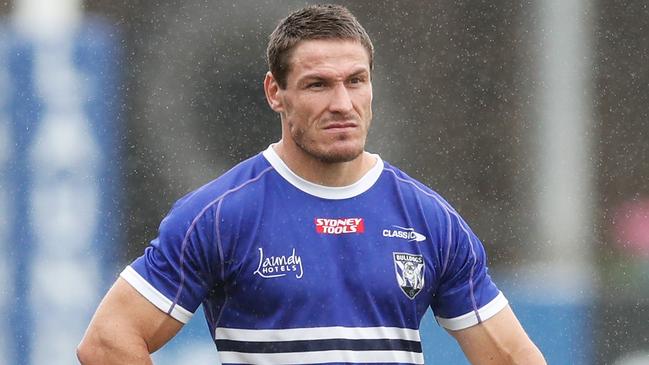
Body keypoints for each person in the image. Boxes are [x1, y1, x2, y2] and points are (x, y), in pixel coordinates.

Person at [77, 4, 546, 364]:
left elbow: (513, 357)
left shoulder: (428, 218)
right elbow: (106, 341)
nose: (342, 102)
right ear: (274, 93)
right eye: (318, 84)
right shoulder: (220, 215)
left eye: (356, 81)